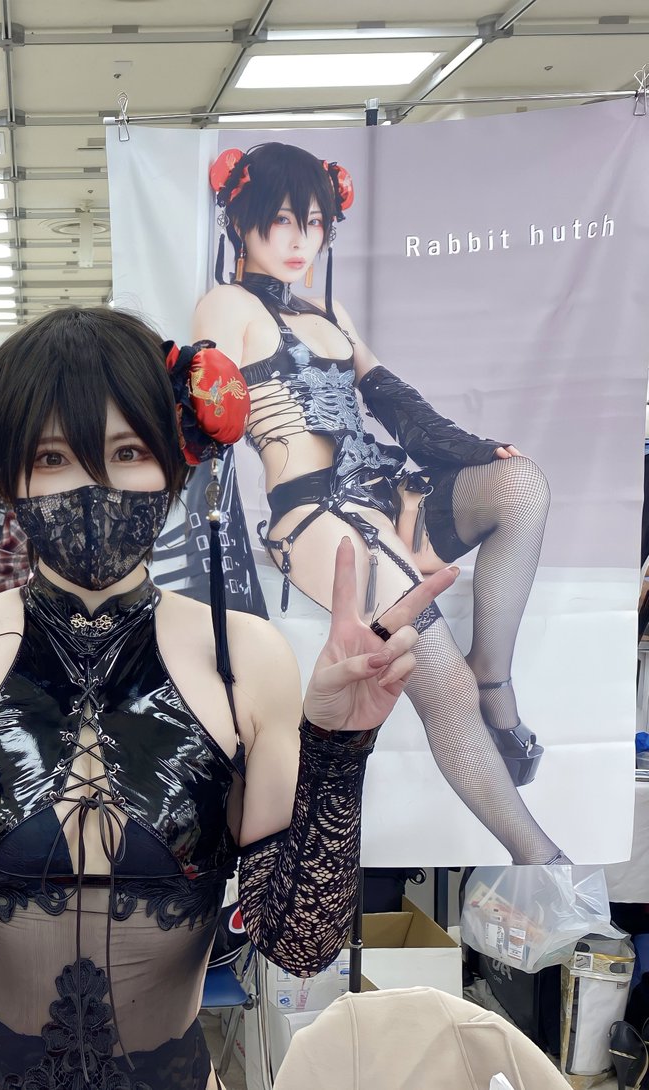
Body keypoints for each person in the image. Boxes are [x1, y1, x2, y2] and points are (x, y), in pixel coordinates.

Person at [0, 306, 456, 1090]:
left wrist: (338, 751)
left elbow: (299, 945)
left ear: (179, 462)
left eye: (127, 451)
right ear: (7, 477)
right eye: (52, 457)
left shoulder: (249, 659)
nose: (93, 485)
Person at [192, 141, 565, 865]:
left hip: (387, 494)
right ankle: (544, 864)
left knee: (523, 484)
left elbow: (393, 401)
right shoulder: (225, 305)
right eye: (281, 220)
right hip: (315, 516)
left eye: (314, 222)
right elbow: (205, 420)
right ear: (238, 222)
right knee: (439, 679)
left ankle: (495, 679)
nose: (300, 240)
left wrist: (475, 448)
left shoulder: (328, 308)